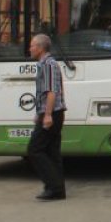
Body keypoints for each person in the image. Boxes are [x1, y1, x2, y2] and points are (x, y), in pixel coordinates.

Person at [26, 33, 67, 200]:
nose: (30, 49)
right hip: (52, 112)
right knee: (52, 152)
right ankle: (57, 190)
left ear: (41, 48)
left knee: (34, 150)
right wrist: (40, 113)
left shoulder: (48, 65)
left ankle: (54, 186)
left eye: (32, 46)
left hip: (53, 113)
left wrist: (47, 114)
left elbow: (51, 92)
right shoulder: (46, 64)